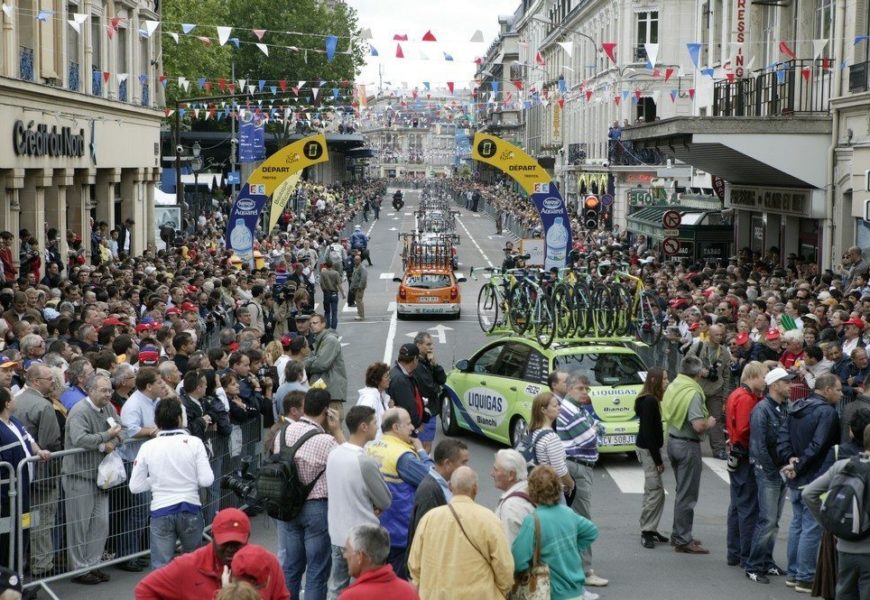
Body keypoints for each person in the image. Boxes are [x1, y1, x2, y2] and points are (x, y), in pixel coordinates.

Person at [274, 388, 345, 599]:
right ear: (326, 411)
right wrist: (337, 429)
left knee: (292, 566)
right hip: (316, 507)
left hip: (288, 505)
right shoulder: (326, 441)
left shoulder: (283, 433)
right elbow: (348, 460)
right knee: (317, 570)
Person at [129, 396, 214, 569]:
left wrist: (156, 480)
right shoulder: (194, 442)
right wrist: (188, 478)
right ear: (179, 419)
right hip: (189, 507)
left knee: (161, 568)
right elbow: (207, 480)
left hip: (161, 510)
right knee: (194, 566)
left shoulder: (148, 447)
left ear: (157, 421)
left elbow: (135, 486)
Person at [777, 372, 842, 592]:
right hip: (813, 476)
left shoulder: (796, 407)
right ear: (827, 390)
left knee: (797, 524)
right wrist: (797, 464)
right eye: (839, 389)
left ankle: (795, 573)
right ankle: (804, 576)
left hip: (798, 473)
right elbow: (818, 445)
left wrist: (791, 460)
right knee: (810, 527)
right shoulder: (827, 412)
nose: (841, 394)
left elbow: (783, 436)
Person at [407, 466, 514, 599]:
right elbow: (505, 568)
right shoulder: (489, 520)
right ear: (475, 488)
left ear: (450, 486)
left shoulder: (429, 518)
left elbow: (414, 565)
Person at [325, 406, 392, 600]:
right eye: (373, 423)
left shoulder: (334, 454)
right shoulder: (365, 462)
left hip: (337, 534)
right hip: (364, 539)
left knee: (336, 587)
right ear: (363, 426)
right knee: (366, 590)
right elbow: (385, 500)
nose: (376, 427)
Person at [62, 373, 122, 585]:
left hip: (101, 477)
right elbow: (80, 439)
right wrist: (105, 439)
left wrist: (112, 443)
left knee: (101, 523)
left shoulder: (108, 408)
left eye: (110, 390)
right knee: (79, 525)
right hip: (79, 476)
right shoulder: (79, 411)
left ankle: (93, 564)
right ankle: (79, 569)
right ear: (91, 390)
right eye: (104, 390)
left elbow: (120, 430)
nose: (108, 394)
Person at [135, 508, 274, 599]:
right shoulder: (188, 565)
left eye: (237, 543)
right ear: (212, 537)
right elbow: (145, 589)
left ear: (248, 538)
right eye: (225, 542)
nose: (231, 548)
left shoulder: (267, 564)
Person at [804, 418, 870, 600]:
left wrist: (830, 524)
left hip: (845, 545)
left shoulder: (843, 465)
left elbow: (809, 494)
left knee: (844, 592)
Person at [512, 465, 600, 600]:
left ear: (532, 490)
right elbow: (591, 531)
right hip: (575, 592)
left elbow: (519, 560)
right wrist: (574, 547)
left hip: (550, 591)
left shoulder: (533, 521)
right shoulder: (568, 513)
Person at [366, 407, 434, 580]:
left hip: (375, 528)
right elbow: (433, 479)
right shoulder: (403, 456)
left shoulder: (372, 447)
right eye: (408, 423)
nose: (412, 428)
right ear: (396, 428)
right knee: (397, 583)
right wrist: (421, 452)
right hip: (400, 533)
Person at [556, 371, 607, 588]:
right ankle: (585, 571)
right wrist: (593, 429)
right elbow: (591, 438)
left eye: (587, 389)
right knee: (582, 521)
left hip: (579, 466)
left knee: (575, 518)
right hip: (577, 467)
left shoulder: (577, 409)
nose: (585, 393)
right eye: (580, 388)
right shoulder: (570, 411)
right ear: (569, 389)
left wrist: (594, 428)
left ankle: (575, 567)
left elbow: (599, 429)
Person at [661, 356, 717, 554]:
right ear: (699, 373)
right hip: (687, 444)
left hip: (674, 440)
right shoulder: (693, 392)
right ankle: (683, 539)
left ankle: (679, 534)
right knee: (687, 495)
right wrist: (709, 423)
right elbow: (698, 425)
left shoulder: (675, 384)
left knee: (682, 492)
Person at [744, 366, 794, 584]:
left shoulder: (785, 407)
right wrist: (773, 470)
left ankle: (766, 561)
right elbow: (758, 445)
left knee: (773, 522)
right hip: (769, 472)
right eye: (786, 382)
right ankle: (753, 566)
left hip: (779, 471)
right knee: (767, 520)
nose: (790, 386)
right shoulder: (762, 410)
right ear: (775, 385)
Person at [13, 364, 62, 576]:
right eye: (50, 379)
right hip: (43, 476)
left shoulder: (16, 401)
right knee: (42, 522)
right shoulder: (44, 406)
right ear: (35, 382)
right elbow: (51, 442)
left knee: (26, 521)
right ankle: (42, 566)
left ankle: (26, 564)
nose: (53, 383)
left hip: (23, 476)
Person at [724, 361, 767, 570]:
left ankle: (735, 552)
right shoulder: (746, 398)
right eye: (763, 376)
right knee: (747, 507)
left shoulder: (737, 394)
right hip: (744, 456)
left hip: (736, 453)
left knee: (737, 505)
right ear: (753, 376)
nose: (765, 381)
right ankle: (745, 554)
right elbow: (744, 429)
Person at [407, 439, 469, 550]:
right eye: (463, 462)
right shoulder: (429, 491)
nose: (467, 467)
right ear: (447, 464)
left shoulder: (448, 485)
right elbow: (425, 536)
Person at [634, 366, 670, 549]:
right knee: (654, 492)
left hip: (649, 449)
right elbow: (648, 433)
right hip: (649, 451)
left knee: (655, 492)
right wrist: (658, 461)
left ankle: (651, 527)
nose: (667, 382)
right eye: (664, 379)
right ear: (655, 381)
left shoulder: (649, 399)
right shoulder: (649, 401)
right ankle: (647, 530)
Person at [685, 323, 731, 459]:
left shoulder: (724, 353)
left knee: (716, 420)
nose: (719, 337)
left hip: (715, 390)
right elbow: (686, 362)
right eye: (717, 334)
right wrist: (699, 371)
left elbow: (727, 375)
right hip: (697, 389)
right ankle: (690, 447)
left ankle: (719, 450)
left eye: (721, 335)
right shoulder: (699, 347)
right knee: (693, 419)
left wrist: (725, 395)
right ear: (709, 335)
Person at [338, 525, 419, 600]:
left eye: (347, 550)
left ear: (360, 556)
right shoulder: (409, 592)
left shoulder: (350, 597)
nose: (345, 556)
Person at [525, 391, 575, 495]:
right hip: (551, 491)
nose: (559, 408)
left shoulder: (533, 431)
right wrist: (571, 484)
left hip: (537, 487)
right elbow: (560, 470)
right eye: (555, 405)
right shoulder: (551, 438)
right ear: (543, 410)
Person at [304, 313, 348, 418]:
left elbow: (321, 364)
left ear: (323, 324)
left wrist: (308, 363)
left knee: (333, 429)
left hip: (332, 393)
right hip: (324, 392)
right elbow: (314, 360)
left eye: (315, 323)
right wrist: (312, 360)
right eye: (311, 324)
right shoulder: (320, 340)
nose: (312, 326)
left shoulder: (330, 340)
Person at [492, 448, 535, 544]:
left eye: (495, 470)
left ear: (511, 475)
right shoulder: (530, 489)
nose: (492, 474)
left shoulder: (511, 507)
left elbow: (509, 548)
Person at [412, 333, 445, 454]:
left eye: (432, 344)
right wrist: (438, 388)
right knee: (425, 446)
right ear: (418, 345)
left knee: (426, 444)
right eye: (428, 344)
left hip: (430, 409)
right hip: (425, 410)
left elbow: (442, 379)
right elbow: (429, 388)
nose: (431, 347)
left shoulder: (428, 361)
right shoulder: (417, 365)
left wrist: (435, 365)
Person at [387, 344, 426, 432]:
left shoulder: (397, 373)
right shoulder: (400, 380)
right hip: (405, 429)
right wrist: (416, 425)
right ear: (415, 359)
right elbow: (408, 406)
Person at [356, 362, 391, 439]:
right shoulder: (370, 399)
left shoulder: (381, 396)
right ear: (377, 380)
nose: (389, 379)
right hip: (373, 446)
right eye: (386, 377)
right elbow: (364, 425)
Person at [350, 255, 367, 321]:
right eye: (354, 260)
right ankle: (359, 313)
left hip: (359, 288)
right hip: (356, 287)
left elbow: (363, 278)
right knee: (357, 301)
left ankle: (361, 315)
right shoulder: (356, 267)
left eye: (357, 260)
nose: (355, 261)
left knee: (359, 301)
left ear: (360, 260)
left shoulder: (362, 267)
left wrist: (360, 286)